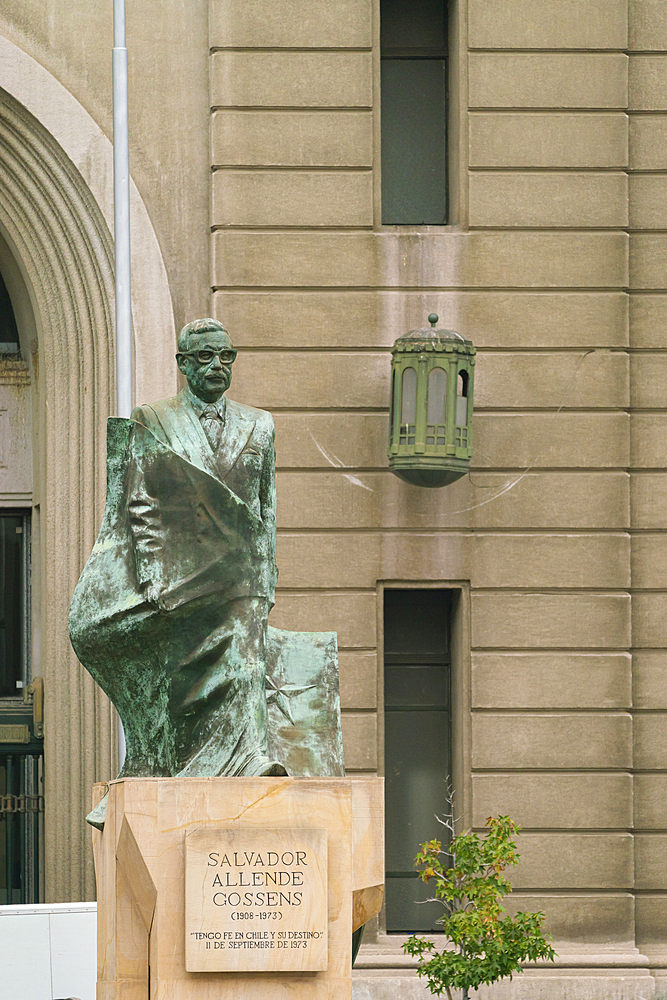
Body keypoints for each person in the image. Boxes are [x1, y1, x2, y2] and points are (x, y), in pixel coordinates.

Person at [70, 318, 286, 780]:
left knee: (247, 660)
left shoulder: (260, 425)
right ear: (183, 364)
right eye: (205, 357)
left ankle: (250, 760)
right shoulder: (154, 418)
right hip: (182, 575)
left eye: (226, 357)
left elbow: (265, 510)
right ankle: (179, 761)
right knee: (176, 679)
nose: (217, 367)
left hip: (238, 576)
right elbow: (141, 502)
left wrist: (266, 581)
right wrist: (153, 574)